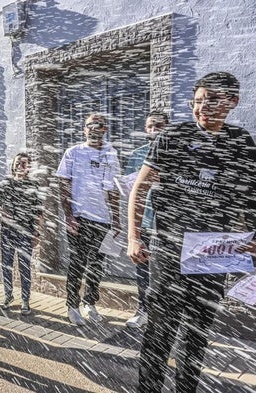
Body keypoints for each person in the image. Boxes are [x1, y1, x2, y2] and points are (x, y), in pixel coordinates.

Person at [127, 72, 256, 393]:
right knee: (160, 331)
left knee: (197, 333)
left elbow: (252, 197)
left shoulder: (241, 143)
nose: (202, 108)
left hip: (213, 252)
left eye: (211, 100)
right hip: (170, 249)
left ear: (232, 102)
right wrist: (133, 236)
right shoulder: (173, 136)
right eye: (197, 101)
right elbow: (140, 187)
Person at [56, 114, 121, 325]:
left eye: (98, 125)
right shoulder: (73, 152)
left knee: (96, 265)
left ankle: (90, 304)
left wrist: (117, 220)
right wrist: (68, 216)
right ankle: (72, 305)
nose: (93, 129)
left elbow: (114, 190)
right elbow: (63, 184)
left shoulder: (111, 153)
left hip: (102, 220)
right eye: (89, 126)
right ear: (84, 130)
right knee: (77, 264)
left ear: (105, 129)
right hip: (79, 218)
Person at [124, 111, 169, 328]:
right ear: (145, 129)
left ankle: (165, 316)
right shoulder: (136, 155)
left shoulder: (175, 153)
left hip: (168, 225)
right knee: (143, 270)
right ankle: (143, 310)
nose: (155, 129)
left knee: (167, 274)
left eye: (159, 125)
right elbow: (131, 189)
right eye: (151, 125)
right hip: (145, 222)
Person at [0, 152, 43, 316]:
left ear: (28, 167)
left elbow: (39, 212)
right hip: (7, 232)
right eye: (17, 163)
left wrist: (37, 233)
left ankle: (25, 300)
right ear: (13, 165)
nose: (20, 166)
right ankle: (8, 295)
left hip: (26, 232)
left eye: (24, 163)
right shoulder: (6, 184)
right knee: (6, 266)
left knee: (24, 268)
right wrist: (4, 212)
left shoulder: (34, 185)